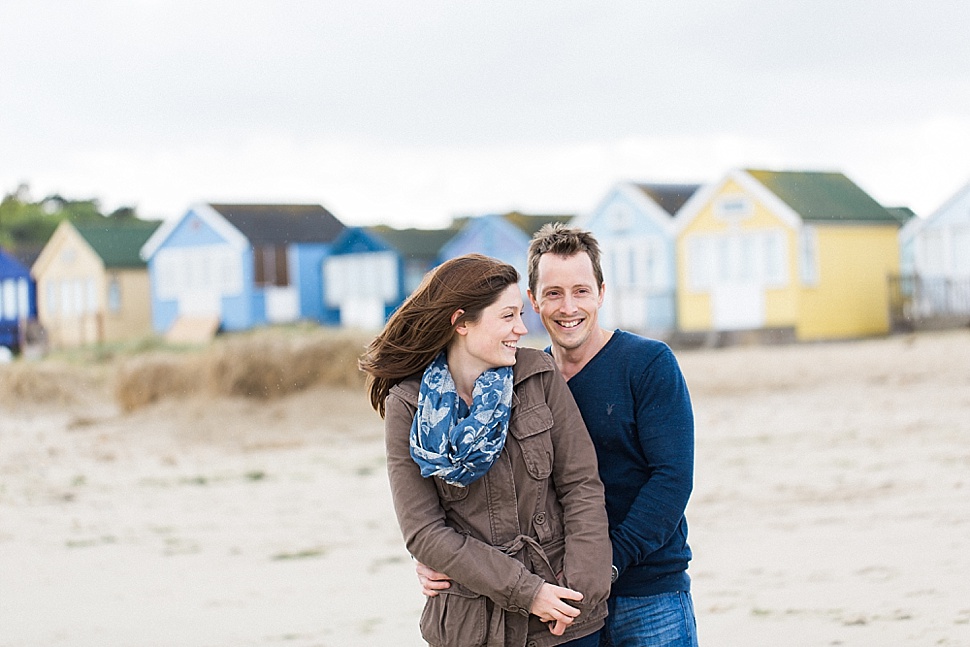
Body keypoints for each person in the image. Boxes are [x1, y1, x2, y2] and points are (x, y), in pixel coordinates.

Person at [417, 227, 699, 646]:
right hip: (558, 604)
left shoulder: (647, 364)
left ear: (602, 293)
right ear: (532, 300)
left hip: (647, 592)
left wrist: (605, 563)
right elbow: (499, 494)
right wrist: (437, 558)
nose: (569, 307)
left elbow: (672, 480)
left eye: (581, 291)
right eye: (553, 294)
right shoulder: (523, 382)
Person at [360, 253, 613, 647]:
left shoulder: (537, 376)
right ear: (462, 322)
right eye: (508, 316)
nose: (522, 328)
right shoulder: (407, 405)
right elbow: (424, 532)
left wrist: (579, 590)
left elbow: (581, 485)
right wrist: (528, 593)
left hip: (564, 618)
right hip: (471, 627)